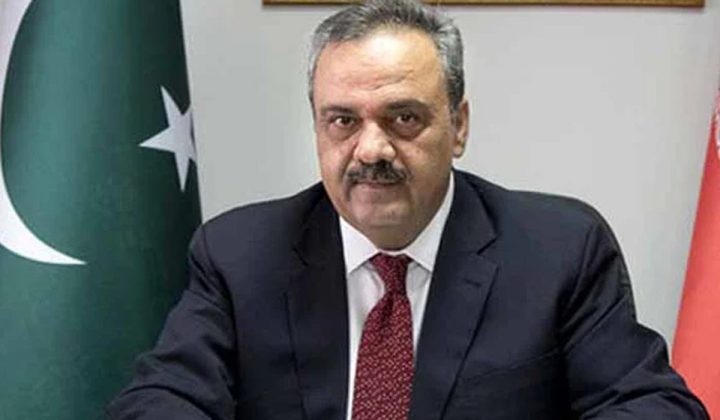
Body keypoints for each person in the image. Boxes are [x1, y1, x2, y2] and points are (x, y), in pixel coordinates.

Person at [108, 0, 708, 419]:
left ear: (459, 125)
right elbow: (163, 399)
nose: (371, 149)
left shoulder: (559, 251)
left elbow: (651, 406)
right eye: (343, 121)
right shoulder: (239, 255)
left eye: (404, 118)